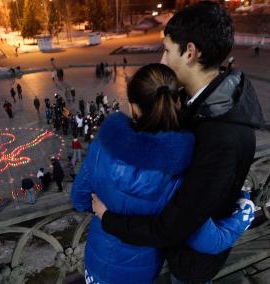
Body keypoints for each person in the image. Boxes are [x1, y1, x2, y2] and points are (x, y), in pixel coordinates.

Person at [91, 3, 265, 283]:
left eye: (167, 49)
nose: (162, 59)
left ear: (190, 53)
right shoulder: (205, 101)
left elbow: (172, 227)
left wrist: (108, 218)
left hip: (190, 265)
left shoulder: (222, 137)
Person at [72, 63, 256, 284]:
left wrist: (106, 209)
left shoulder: (102, 145)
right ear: (177, 101)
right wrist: (242, 216)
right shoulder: (179, 172)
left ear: (133, 108)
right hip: (140, 270)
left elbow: (79, 198)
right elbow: (207, 241)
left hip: (97, 260)